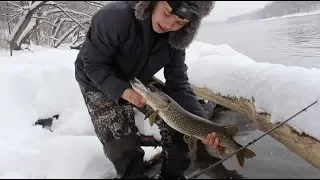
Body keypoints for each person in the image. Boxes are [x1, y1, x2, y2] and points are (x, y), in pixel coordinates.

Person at [74, 1, 227, 179]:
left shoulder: (177, 36)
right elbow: (93, 64)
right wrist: (124, 92)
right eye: (168, 13)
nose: (169, 25)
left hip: (138, 80)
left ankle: (171, 175)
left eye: (180, 22)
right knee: (123, 149)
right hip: (97, 79)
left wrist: (202, 126)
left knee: (180, 128)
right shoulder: (115, 17)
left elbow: (178, 84)